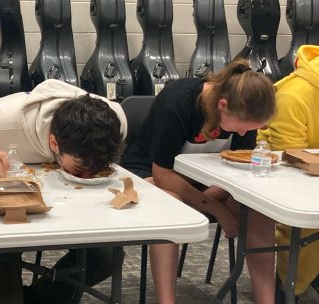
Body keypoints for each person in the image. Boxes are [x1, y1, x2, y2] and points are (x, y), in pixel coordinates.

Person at [0, 78, 127, 304]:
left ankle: (37, 299)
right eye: (81, 169)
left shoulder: (116, 120)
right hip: (9, 206)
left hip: (73, 205)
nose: (90, 175)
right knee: (1, 248)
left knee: (107, 255)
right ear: (54, 143)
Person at [120, 59, 277, 304]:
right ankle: (166, 301)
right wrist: (216, 208)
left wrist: (210, 198)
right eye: (244, 128)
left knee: (259, 210)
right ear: (222, 106)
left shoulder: (245, 110)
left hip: (207, 184)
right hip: (150, 173)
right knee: (170, 205)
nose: (245, 134)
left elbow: (238, 170)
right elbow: (162, 174)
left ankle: (267, 300)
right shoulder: (179, 100)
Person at [258, 44, 319, 301]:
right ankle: (294, 285)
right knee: (309, 221)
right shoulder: (294, 95)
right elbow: (291, 158)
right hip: (278, 176)